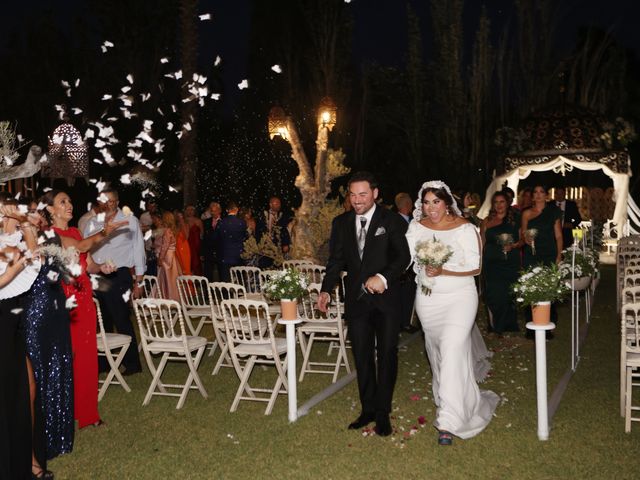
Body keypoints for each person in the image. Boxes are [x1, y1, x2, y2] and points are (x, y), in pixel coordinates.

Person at [405, 180, 499, 445]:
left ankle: (447, 421)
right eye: (426, 202)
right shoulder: (416, 228)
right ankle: (454, 398)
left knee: (452, 348)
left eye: (436, 201)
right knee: (437, 352)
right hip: (428, 299)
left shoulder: (465, 229)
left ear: (447, 203)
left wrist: (443, 270)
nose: (431, 207)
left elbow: (475, 267)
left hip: (460, 297)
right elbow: (404, 257)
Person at [318, 171, 410, 437]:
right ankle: (367, 409)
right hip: (357, 303)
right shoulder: (341, 223)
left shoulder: (391, 221)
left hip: (387, 302)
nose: (357, 200)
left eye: (363, 194)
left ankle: (383, 412)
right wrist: (325, 290)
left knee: (387, 355)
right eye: (353, 195)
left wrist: (383, 277)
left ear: (375, 193)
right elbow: (336, 261)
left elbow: (402, 257)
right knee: (362, 357)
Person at [45, 190, 122, 430]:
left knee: (88, 358)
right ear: (50, 210)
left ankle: (88, 413)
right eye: (62, 202)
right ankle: (62, 413)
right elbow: (79, 246)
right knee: (66, 359)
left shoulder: (76, 230)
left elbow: (87, 264)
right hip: (64, 304)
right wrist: (103, 233)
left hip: (85, 301)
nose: (69, 205)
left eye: (69, 200)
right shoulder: (50, 236)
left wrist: (103, 267)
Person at [84, 188, 145, 376]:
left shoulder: (130, 221)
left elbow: (138, 250)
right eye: (104, 200)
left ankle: (132, 363)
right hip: (97, 274)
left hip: (120, 275)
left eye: (111, 200)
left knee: (120, 317)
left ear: (117, 201)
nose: (108, 203)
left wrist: (139, 282)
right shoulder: (92, 223)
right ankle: (103, 362)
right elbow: (86, 249)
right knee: (101, 320)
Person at [0, 200, 39, 480]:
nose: (11, 209)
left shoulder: (13, 242)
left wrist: (26, 225)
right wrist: (15, 267)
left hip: (12, 328)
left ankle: (20, 464)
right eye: (5, 207)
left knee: (18, 395)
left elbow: (37, 260)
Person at [521, 184, 563, 327]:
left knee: (548, 288)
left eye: (541, 192)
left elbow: (558, 236)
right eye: (535, 192)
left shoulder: (554, 212)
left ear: (546, 195)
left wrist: (558, 256)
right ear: (532, 195)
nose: (538, 194)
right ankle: (531, 323)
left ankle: (548, 322)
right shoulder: (526, 213)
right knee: (530, 287)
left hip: (549, 254)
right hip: (531, 254)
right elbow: (524, 235)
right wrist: (526, 238)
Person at [480, 191, 521, 335]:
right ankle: (494, 325)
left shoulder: (515, 220)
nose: (499, 205)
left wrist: (513, 246)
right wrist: (479, 261)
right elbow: (482, 243)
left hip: (510, 262)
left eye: (502, 202)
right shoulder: (486, 221)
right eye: (496, 202)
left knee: (508, 295)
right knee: (493, 294)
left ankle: (508, 325)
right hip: (491, 263)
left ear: (508, 203)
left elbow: (522, 240)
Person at [394, 192, 418, 332]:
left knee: (409, 294)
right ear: (407, 205)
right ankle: (402, 322)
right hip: (403, 264)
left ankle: (405, 321)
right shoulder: (396, 221)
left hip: (413, 265)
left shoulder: (413, 221)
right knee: (403, 294)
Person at [215, 201, 247, 282]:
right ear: (236, 209)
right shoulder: (242, 222)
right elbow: (245, 237)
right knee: (240, 279)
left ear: (227, 210)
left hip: (225, 255)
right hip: (239, 254)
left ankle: (228, 294)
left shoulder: (221, 223)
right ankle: (240, 293)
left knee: (226, 280)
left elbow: (216, 238)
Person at [256, 196, 291, 267]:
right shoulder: (262, 215)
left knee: (277, 267)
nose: (279, 205)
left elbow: (284, 230)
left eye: (279, 203)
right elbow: (258, 230)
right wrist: (258, 244)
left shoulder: (282, 216)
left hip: (277, 246)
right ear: (270, 204)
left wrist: (286, 243)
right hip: (265, 247)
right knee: (264, 266)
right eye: (277, 203)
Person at [155, 211, 181, 301]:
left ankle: (167, 298)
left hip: (167, 257)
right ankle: (172, 297)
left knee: (166, 279)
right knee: (172, 278)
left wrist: (160, 258)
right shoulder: (173, 230)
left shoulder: (167, 231)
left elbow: (165, 246)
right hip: (172, 256)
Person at [202, 202, 222, 281]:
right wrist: (202, 252)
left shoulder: (224, 221)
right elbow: (204, 238)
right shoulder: (206, 222)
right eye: (211, 211)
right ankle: (208, 291)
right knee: (208, 273)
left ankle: (222, 291)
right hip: (208, 251)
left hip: (220, 251)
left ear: (219, 210)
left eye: (214, 211)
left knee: (221, 274)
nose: (213, 213)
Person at [185, 205, 203, 275]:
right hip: (186, 244)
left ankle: (197, 281)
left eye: (191, 210)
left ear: (194, 211)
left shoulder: (198, 221)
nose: (190, 211)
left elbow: (202, 234)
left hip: (196, 246)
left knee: (196, 263)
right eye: (188, 210)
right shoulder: (183, 221)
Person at [174, 211, 191, 276]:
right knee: (178, 268)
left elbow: (186, 236)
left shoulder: (186, 224)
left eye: (181, 216)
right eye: (178, 216)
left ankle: (187, 285)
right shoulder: (174, 226)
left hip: (184, 248)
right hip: (176, 248)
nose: (180, 218)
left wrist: (182, 223)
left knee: (185, 267)